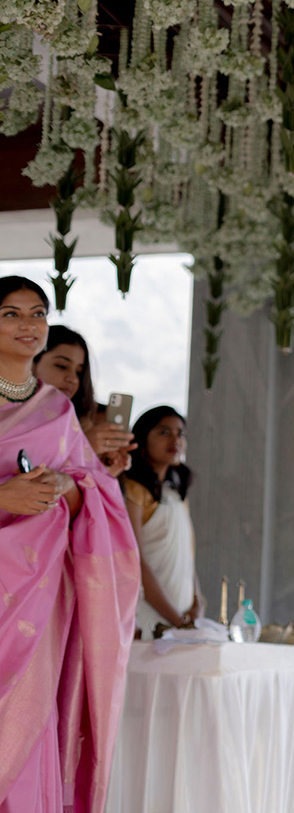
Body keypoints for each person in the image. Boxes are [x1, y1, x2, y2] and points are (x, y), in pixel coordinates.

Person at [0, 275, 140, 812]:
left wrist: (68, 485)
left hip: (39, 598)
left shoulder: (57, 412)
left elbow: (93, 495)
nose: (28, 324)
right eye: (10, 314)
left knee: (30, 718)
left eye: (36, 313)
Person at [122, 406, 205, 638]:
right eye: (164, 432)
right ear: (143, 439)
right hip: (149, 617)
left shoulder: (177, 492)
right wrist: (176, 620)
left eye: (180, 433)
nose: (175, 440)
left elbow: (187, 557)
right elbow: (135, 562)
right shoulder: (133, 489)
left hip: (183, 619)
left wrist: (197, 602)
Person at [33, 324, 136, 477]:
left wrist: (105, 471)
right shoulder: (11, 416)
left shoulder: (78, 424)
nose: (72, 379)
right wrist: (83, 448)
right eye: (61, 366)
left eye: (79, 372)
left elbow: (70, 493)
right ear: (32, 362)